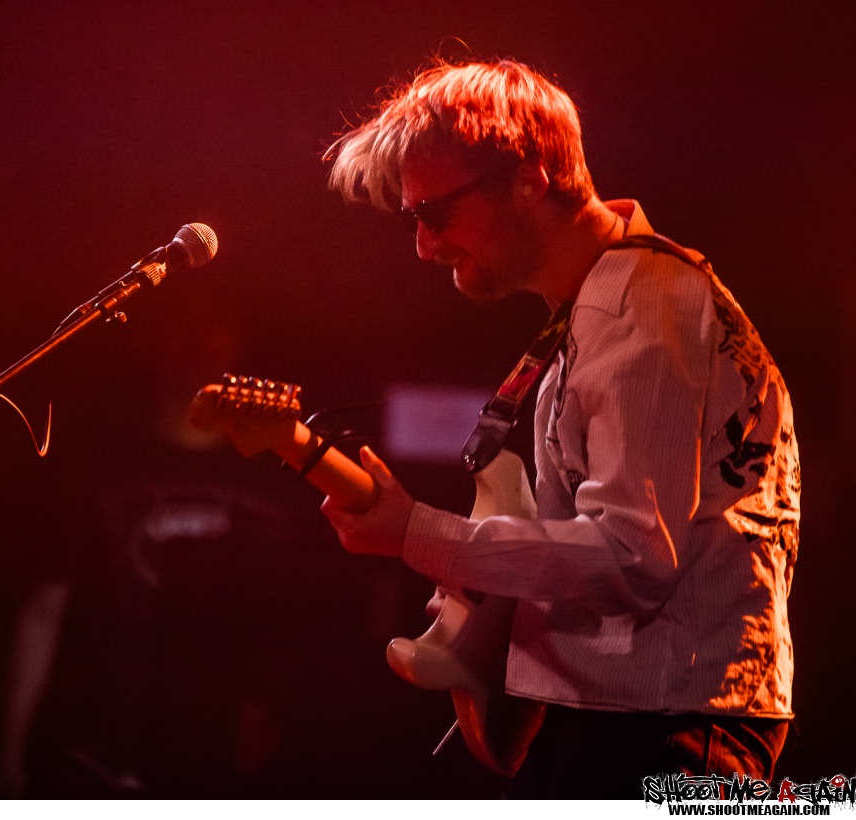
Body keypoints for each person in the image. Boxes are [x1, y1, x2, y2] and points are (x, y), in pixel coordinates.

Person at [319, 58, 800, 798]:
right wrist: (479, 583)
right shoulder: (603, 309)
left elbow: (633, 559)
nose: (422, 245)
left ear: (529, 180)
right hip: (631, 718)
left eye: (434, 214)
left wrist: (418, 533)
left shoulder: (647, 308)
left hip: (668, 730)